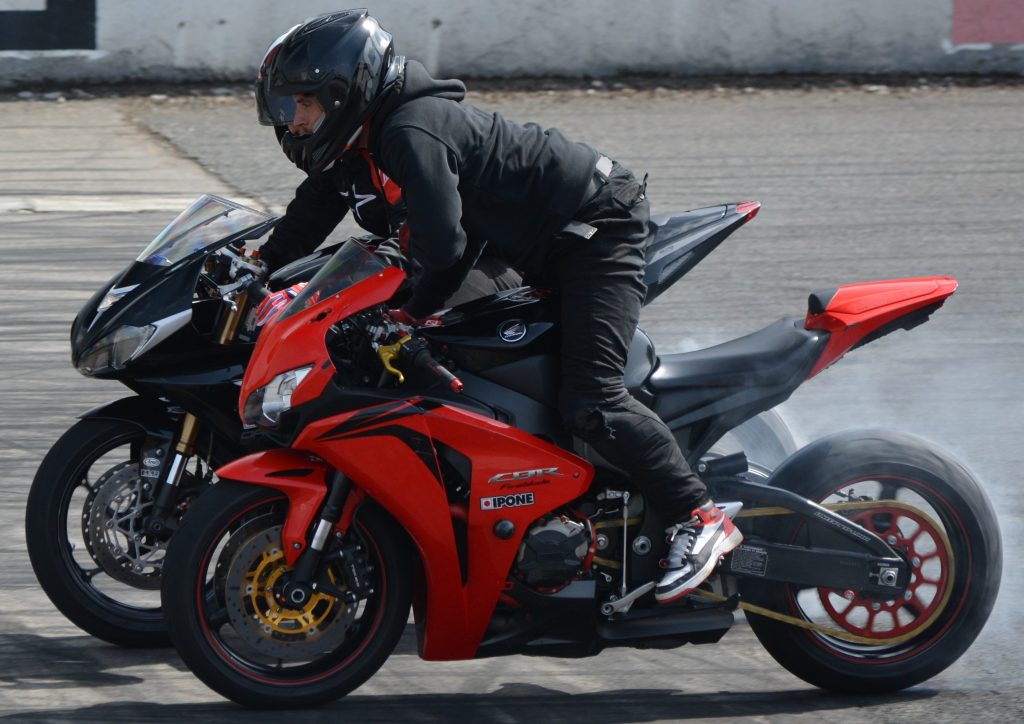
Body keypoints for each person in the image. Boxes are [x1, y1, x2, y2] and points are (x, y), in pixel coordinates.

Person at [255, 10, 742, 603]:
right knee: (453, 351)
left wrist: (408, 313)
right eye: (286, 109)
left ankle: (700, 517)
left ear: (343, 91)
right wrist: (257, 269)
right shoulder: (360, 145)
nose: (294, 122)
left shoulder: (410, 131)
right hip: (526, 247)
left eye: (300, 105)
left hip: (594, 233)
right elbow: (311, 213)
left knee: (590, 397)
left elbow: (442, 247)